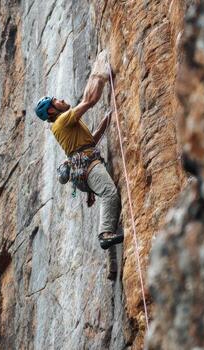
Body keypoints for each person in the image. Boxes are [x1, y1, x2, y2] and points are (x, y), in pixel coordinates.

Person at [34, 51, 123, 250]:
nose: (61, 100)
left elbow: (91, 140)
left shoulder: (62, 125)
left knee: (109, 193)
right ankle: (105, 234)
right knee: (110, 193)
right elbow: (89, 100)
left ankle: (111, 246)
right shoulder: (61, 121)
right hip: (87, 166)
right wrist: (99, 74)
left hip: (84, 167)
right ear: (51, 110)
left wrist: (108, 119)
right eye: (56, 100)